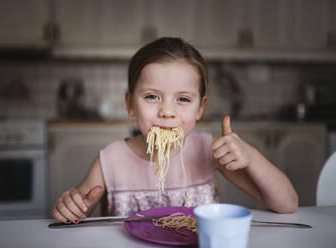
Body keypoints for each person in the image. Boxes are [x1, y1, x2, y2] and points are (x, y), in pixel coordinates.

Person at [52, 37, 298, 224]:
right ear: (129, 104)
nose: (167, 111)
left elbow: (287, 204)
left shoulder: (209, 151)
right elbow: (75, 215)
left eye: (182, 99)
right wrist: (69, 207)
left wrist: (251, 157)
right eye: (152, 96)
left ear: (200, 108)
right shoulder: (110, 160)